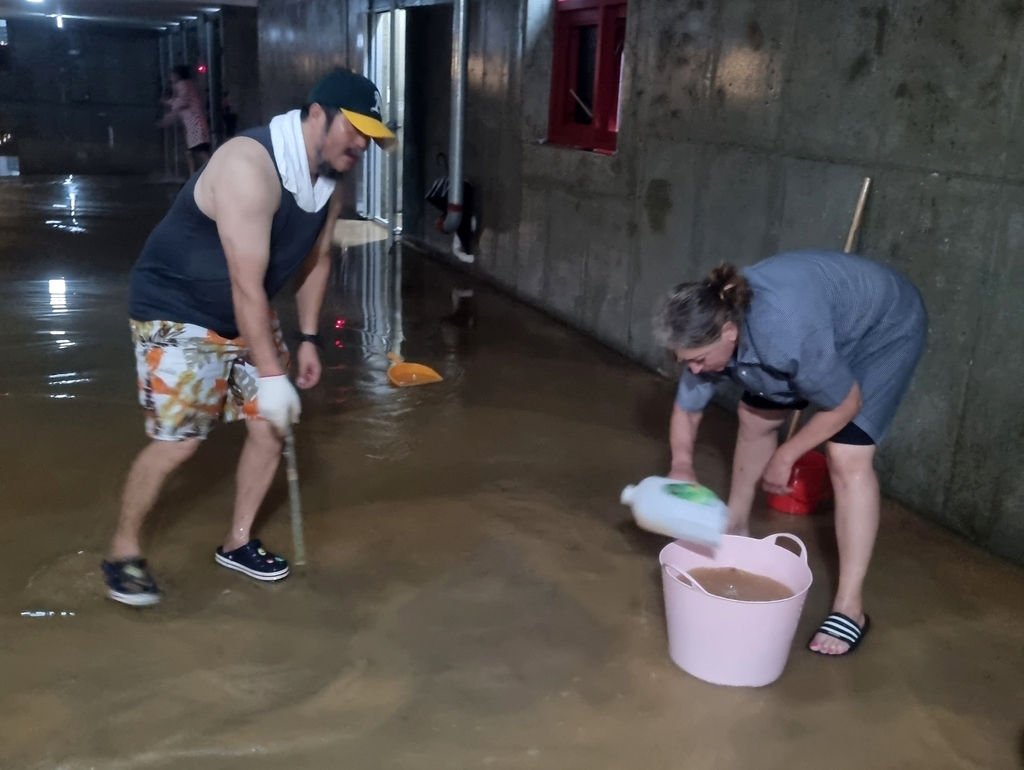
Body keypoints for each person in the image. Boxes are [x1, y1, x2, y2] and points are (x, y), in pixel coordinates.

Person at [103, 70, 396, 606]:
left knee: (270, 426)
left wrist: (307, 337)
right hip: (177, 310)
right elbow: (244, 283)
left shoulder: (330, 179)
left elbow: (316, 257)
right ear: (316, 115)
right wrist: (269, 372)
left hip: (245, 308)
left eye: (370, 133)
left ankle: (237, 542)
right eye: (353, 128)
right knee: (180, 443)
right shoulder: (248, 165)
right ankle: (123, 552)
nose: (362, 143)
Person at [655, 250, 927, 656]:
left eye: (697, 360)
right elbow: (688, 409)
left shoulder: (783, 332)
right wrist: (681, 466)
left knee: (846, 456)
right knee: (756, 417)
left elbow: (846, 403)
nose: (693, 370)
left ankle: (850, 609)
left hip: (884, 329)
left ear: (730, 333)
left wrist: (788, 455)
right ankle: (738, 527)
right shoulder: (716, 322)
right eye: (684, 361)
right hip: (814, 327)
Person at [160, 65, 211, 175]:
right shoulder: (186, 85)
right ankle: (196, 174)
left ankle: (207, 172)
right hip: (193, 123)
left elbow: (182, 102)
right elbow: (179, 108)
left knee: (200, 150)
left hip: (195, 122)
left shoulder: (183, 85)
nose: (171, 77)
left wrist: (168, 102)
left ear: (178, 75)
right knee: (194, 151)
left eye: (172, 75)